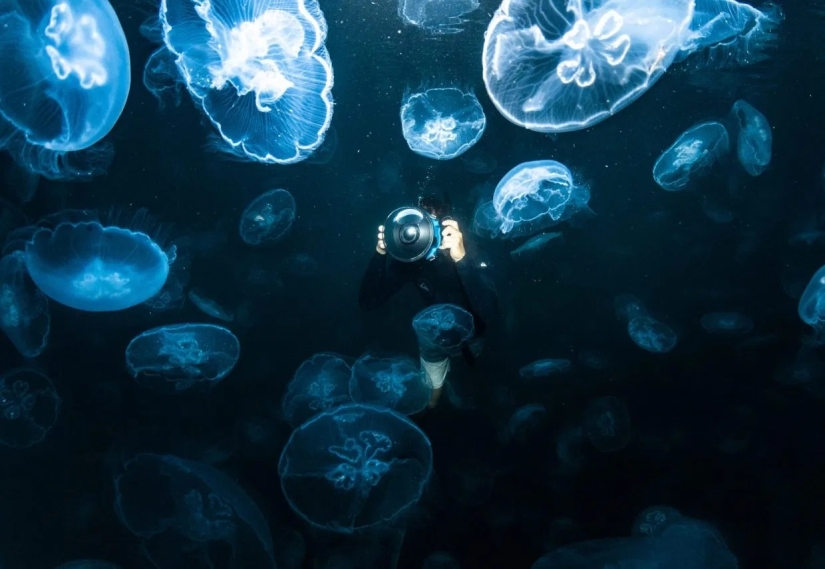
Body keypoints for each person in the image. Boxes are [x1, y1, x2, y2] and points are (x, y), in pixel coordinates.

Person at [358, 194, 497, 408]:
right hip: (434, 338)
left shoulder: (468, 248)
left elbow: (488, 311)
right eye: (422, 221)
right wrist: (380, 253)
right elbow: (369, 301)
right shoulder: (411, 259)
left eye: (435, 222)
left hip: (473, 335)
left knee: (476, 381)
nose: (427, 232)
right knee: (431, 403)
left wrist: (462, 260)